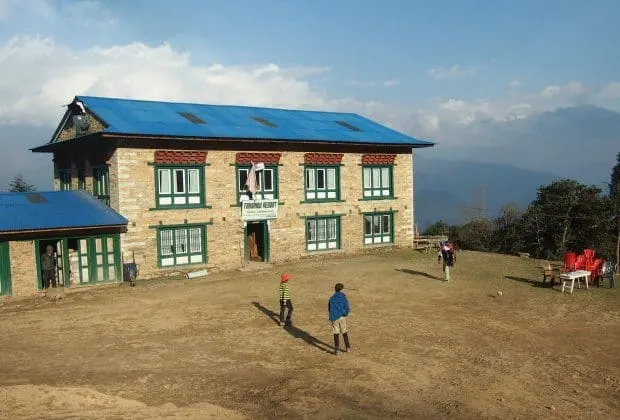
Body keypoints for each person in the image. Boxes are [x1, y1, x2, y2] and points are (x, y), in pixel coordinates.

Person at [328, 283, 351, 355]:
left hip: (334, 317)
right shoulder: (343, 297)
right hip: (342, 317)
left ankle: (337, 349)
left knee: (336, 333)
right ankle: (348, 348)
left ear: (335, 289)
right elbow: (347, 307)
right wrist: (345, 313)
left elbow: (329, 308)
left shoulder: (331, 298)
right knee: (344, 332)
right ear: (341, 289)